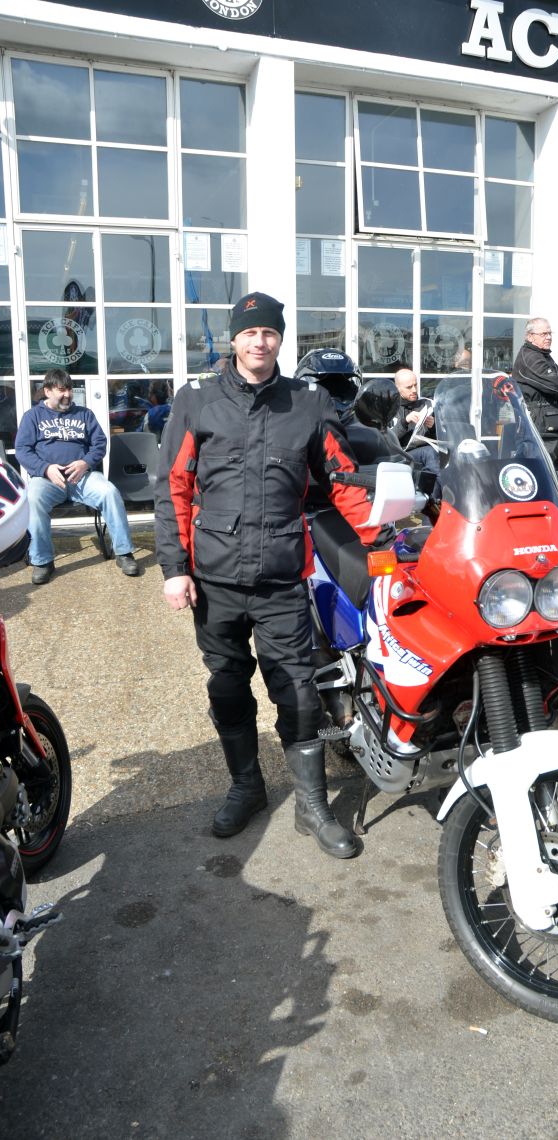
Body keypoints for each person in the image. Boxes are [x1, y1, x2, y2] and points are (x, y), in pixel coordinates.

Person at [154, 291, 383, 858]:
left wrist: (381, 546)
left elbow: (343, 480)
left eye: (270, 333)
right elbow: (174, 488)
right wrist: (174, 569)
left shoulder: (307, 403)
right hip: (216, 581)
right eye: (250, 333)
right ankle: (246, 786)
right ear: (234, 339)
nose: (260, 341)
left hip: (282, 577)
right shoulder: (197, 400)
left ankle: (312, 807)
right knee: (228, 687)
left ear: (281, 339)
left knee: (299, 693)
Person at [14, 368, 140, 585]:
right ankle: (43, 561)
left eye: (70, 389)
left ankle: (124, 553)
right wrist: (45, 468)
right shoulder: (32, 417)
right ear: (47, 391)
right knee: (32, 500)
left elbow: (99, 444)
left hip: (82, 477)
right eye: (61, 390)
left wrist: (86, 462)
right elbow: (22, 450)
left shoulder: (84, 414)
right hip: (47, 480)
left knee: (109, 492)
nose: (68, 394)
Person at [510, 317, 558, 464]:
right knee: (544, 472)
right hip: (541, 428)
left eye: (550, 333)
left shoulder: (543, 355)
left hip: (550, 427)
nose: (549, 337)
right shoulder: (530, 357)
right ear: (530, 336)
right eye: (543, 334)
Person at [392, 368, 441, 493]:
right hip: (401, 453)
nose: (414, 390)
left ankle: (435, 496)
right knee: (429, 453)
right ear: (398, 388)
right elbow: (387, 439)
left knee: (432, 453)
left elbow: (442, 436)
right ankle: (436, 500)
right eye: (409, 387)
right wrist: (405, 421)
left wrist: (433, 426)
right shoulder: (390, 407)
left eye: (415, 385)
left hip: (426, 451)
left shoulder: (427, 404)